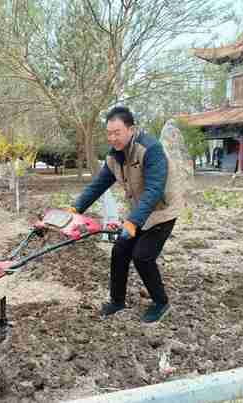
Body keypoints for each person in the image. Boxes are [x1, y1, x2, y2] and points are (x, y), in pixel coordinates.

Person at [67, 106, 182, 324]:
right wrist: (75, 209)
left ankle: (161, 302)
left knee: (142, 256)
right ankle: (117, 301)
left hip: (162, 212)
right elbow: (97, 186)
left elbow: (154, 190)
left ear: (131, 129)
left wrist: (132, 222)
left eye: (117, 132)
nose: (112, 138)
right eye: (109, 133)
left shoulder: (150, 149)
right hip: (139, 212)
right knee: (120, 250)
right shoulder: (114, 157)